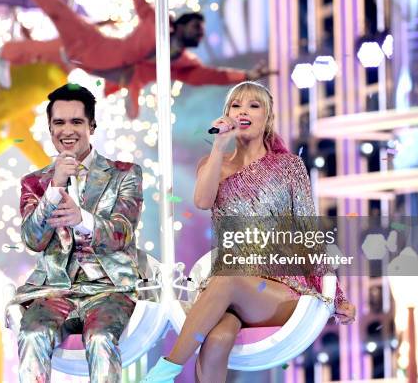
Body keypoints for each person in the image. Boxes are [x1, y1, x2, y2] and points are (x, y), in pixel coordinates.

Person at [141, 82, 356, 383]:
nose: (243, 111)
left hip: (280, 289)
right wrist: (218, 146)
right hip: (228, 290)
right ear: (226, 114)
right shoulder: (214, 164)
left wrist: (338, 296)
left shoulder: (289, 166)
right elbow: (202, 201)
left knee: (227, 279)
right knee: (217, 339)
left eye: (253, 106)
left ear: (267, 118)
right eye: (235, 105)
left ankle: (163, 373)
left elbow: (309, 233)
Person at [8, 83, 144, 383]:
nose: (67, 130)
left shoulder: (124, 174)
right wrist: (54, 188)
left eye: (76, 122)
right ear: (50, 127)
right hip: (55, 290)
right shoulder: (35, 182)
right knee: (31, 334)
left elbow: (122, 232)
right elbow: (33, 239)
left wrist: (83, 220)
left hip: (110, 289)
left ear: (91, 126)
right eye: (59, 123)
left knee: (100, 338)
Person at [1, 0, 275, 118]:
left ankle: (12, 59)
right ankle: (6, 52)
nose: (199, 34)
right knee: (53, 7)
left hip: (103, 73)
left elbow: (211, 76)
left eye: (201, 32)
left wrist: (246, 77)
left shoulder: (183, 65)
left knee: (53, 73)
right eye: (196, 27)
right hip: (91, 46)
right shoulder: (154, 20)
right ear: (179, 24)